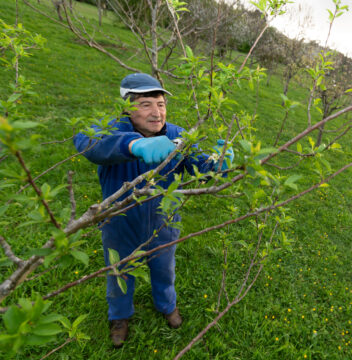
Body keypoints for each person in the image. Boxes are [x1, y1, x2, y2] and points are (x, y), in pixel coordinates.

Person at [74, 73, 233, 348]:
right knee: (119, 270)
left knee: (164, 268)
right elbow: (86, 143)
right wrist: (134, 145)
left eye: (160, 104)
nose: (156, 112)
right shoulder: (113, 131)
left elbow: (199, 167)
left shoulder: (177, 136)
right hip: (119, 222)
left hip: (164, 221)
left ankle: (167, 305)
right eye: (145, 104)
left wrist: (216, 165)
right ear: (127, 107)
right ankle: (120, 316)